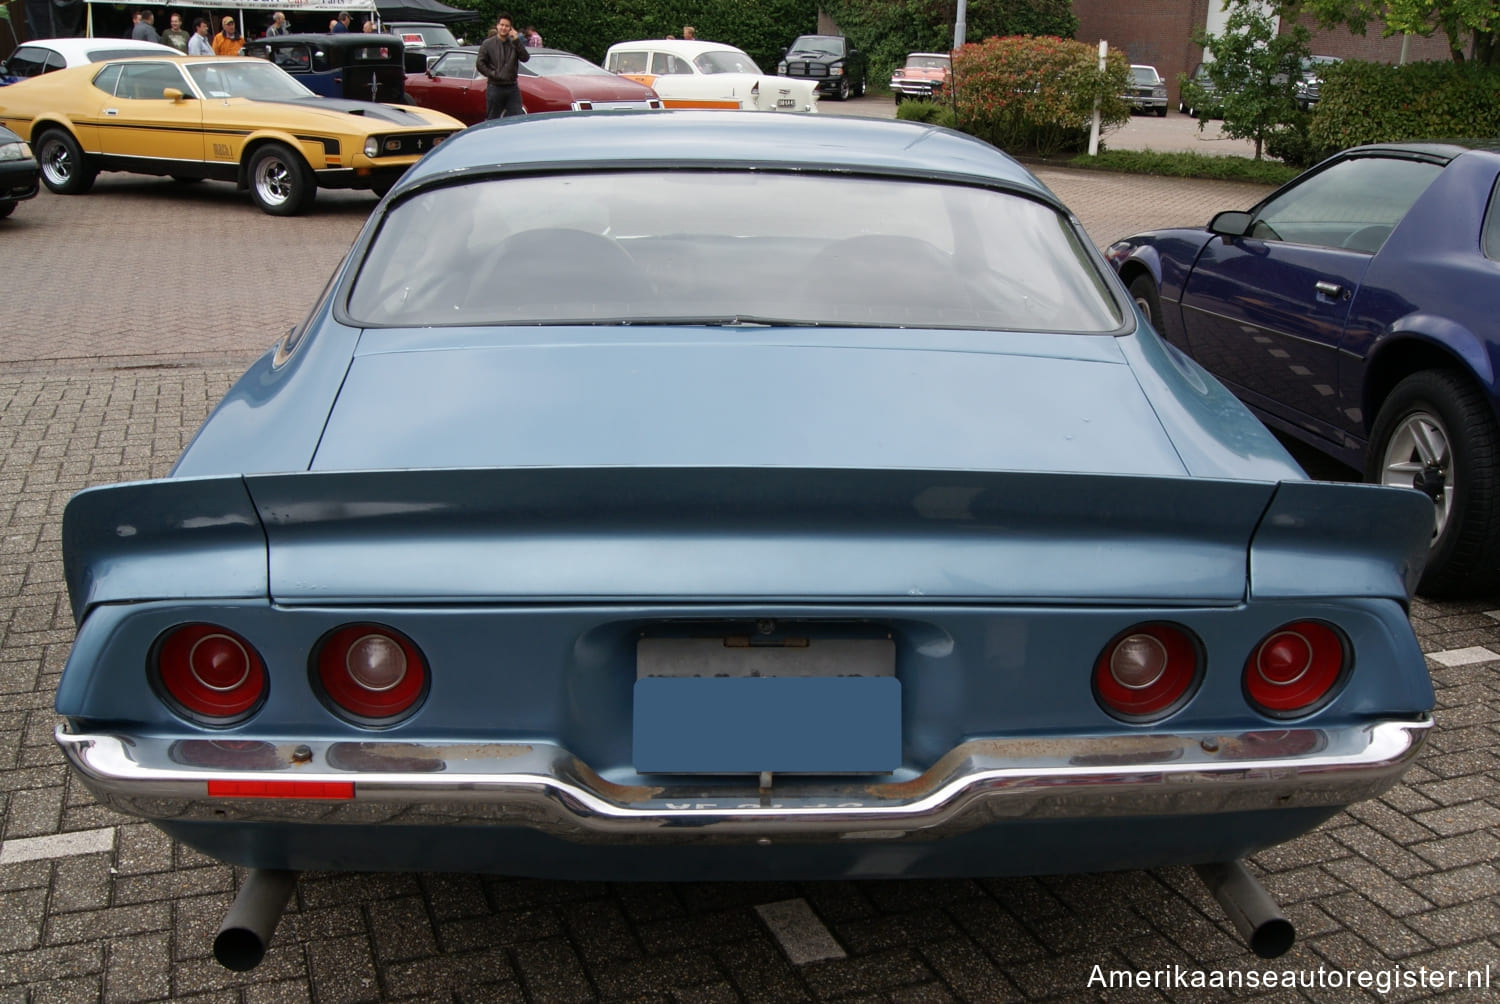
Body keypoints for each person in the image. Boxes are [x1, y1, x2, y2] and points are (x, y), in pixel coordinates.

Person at [475, 13, 529, 120]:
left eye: (507, 26)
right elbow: (480, 63)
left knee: (517, 119)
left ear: (510, 28)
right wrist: (492, 74)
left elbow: (525, 58)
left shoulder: (514, 43)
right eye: (502, 25)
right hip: (495, 87)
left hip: (512, 87)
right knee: (492, 119)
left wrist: (517, 40)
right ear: (497, 26)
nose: (503, 28)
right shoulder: (488, 44)